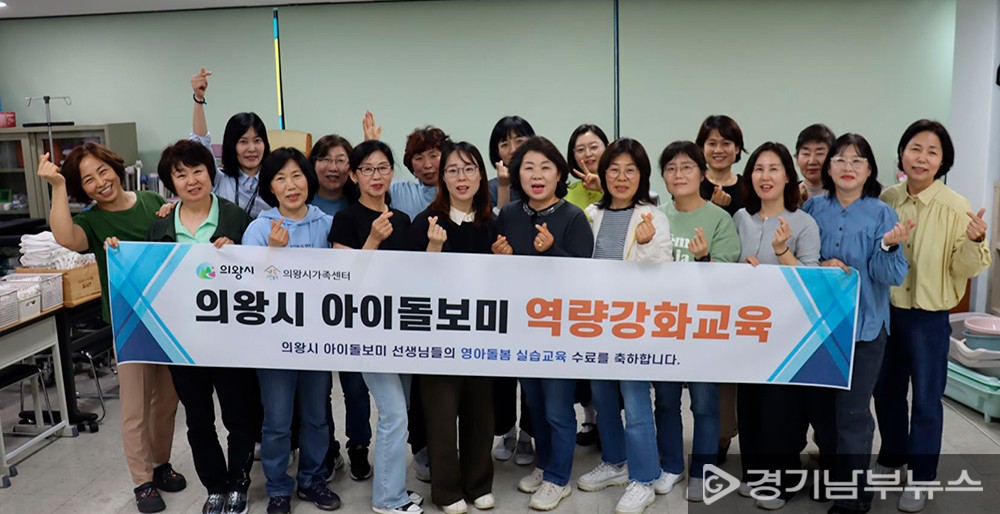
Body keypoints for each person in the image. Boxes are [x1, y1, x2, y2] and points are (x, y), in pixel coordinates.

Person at [37, 143, 185, 513]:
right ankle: (142, 481)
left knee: (167, 400)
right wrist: (57, 186)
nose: (100, 182)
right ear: (81, 189)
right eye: (88, 180)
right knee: (136, 405)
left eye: (102, 171)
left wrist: (174, 212)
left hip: (169, 319)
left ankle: (161, 463)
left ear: (115, 168)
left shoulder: (151, 201)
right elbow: (64, 237)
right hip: (129, 323)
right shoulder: (92, 222)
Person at [874, 120, 990, 513]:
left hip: (929, 319)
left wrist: (976, 240)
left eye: (932, 152)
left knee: (925, 400)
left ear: (943, 161)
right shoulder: (887, 199)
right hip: (888, 313)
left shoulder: (955, 206)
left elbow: (964, 267)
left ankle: (920, 477)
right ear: (902, 153)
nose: (921, 158)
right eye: (915, 148)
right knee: (886, 393)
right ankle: (892, 457)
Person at [147, 140, 262, 514]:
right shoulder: (161, 226)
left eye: (198, 170)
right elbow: (149, 277)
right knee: (198, 420)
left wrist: (237, 253)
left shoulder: (236, 219)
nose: (192, 180)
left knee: (238, 416)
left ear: (211, 174)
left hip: (231, 340)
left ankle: (238, 484)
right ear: (171, 183)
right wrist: (117, 249)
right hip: (182, 342)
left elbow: (259, 275)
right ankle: (215, 486)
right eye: (181, 175)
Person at [802, 133, 910, 514]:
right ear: (828, 168)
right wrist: (821, 264)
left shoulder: (882, 214)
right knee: (822, 415)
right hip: (820, 330)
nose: (848, 167)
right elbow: (801, 261)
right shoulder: (813, 209)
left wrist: (888, 246)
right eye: (840, 160)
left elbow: (891, 275)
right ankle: (837, 480)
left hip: (865, 329)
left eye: (857, 161)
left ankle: (852, 498)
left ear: (869, 170)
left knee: (852, 413)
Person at [493, 136, 595, 511]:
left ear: (559, 174)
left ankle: (558, 479)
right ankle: (546, 464)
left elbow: (584, 279)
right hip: (523, 328)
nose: (537, 176)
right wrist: (500, 257)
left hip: (561, 330)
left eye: (545, 168)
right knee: (534, 406)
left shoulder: (573, 217)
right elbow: (497, 274)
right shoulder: (508, 214)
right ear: (517, 175)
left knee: (557, 408)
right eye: (528, 168)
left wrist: (552, 249)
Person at [242, 148, 341, 514]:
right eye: (280, 178)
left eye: (297, 175)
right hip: (274, 344)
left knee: (317, 416)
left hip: (317, 341)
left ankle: (312, 478)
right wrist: (273, 252)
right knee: (278, 421)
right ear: (271, 187)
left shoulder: (326, 224)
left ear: (308, 179)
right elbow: (248, 289)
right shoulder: (259, 229)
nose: (291, 185)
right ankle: (278, 486)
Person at [576, 138, 671, 514]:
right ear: (602, 174)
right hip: (597, 321)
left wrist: (645, 245)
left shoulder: (652, 216)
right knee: (602, 397)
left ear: (642, 176)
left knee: (634, 401)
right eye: (613, 169)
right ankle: (615, 462)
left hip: (634, 324)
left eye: (630, 170)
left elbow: (662, 271)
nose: (621, 177)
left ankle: (644, 478)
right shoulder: (591, 214)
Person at [330, 140, 423, 514]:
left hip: (402, 329)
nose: (376, 175)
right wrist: (372, 239)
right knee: (394, 413)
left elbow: (414, 276)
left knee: (398, 415)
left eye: (383, 167)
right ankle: (387, 499)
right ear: (354, 175)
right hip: (367, 333)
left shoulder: (402, 219)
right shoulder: (346, 219)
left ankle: (394, 488)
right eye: (367, 169)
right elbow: (343, 279)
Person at [732, 142, 823, 510]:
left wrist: (783, 252)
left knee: (780, 409)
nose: (765, 176)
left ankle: (781, 482)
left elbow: (813, 280)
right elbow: (725, 269)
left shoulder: (803, 223)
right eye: (758, 169)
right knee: (749, 403)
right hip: (747, 331)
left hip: (789, 333)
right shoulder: (740, 218)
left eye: (773, 169)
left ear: (788, 176)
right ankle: (754, 473)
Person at [409, 141, 498, 514]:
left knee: (480, 414)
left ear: (481, 175)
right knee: (441, 417)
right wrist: (432, 250)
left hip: (481, 334)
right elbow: (410, 286)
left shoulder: (492, 222)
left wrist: (506, 259)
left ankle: (479, 483)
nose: (462, 177)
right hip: (439, 337)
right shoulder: (426, 222)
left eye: (469, 168)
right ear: (442, 178)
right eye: (453, 170)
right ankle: (446, 491)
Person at [655, 140, 741, 502]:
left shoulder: (719, 219)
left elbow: (727, 278)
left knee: (705, 404)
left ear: (702, 173)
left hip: (704, 328)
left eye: (687, 167)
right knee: (665, 401)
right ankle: (672, 466)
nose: (679, 174)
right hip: (662, 326)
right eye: (671, 168)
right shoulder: (654, 216)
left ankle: (702, 470)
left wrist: (705, 260)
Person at [307, 135, 374, 483]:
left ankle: (359, 445)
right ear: (313, 163)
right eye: (324, 159)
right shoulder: (302, 199)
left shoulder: (359, 202)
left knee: (356, 386)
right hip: (310, 311)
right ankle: (328, 448)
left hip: (355, 310)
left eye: (340, 160)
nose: (332, 167)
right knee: (319, 390)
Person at [487, 117, 538, 465]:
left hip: (536, 294)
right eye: (504, 143)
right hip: (500, 293)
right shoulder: (490, 186)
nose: (512, 148)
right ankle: (506, 430)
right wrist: (504, 186)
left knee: (533, 370)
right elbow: (493, 228)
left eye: (519, 140)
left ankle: (528, 436)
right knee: (502, 372)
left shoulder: (540, 180)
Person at [188, 67, 272, 218]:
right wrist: (198, 99)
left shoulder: (275, 180)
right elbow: (199, 145)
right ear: (232, 146)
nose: (252, 148)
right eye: (243, 142)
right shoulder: (220, 180)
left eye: (257, 140)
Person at [391, 126, 449, 219]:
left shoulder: (460, 192)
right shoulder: (398, 191)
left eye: (433, 156)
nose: (427, 165)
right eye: (419, 158)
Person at [696, 115, 747, 216]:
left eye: (726, 143)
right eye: (712, 144)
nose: (718, 150)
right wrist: (714, 206)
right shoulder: (692, 184)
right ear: (702, 148)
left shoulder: (747, 187)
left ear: (737, 148)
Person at [487, 115, 535, 210]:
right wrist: (503, 187)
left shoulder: (544, 180)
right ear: (497, 152)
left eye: (519, 141)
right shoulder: (490, 189)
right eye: (505, 145)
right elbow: (499, 219)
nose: (513, 150)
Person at [794, 124, 836, 204]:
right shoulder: (787, 196)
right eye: (806, 153)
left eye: (819, 153)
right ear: (797, 158)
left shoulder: (842, 196)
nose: (812, 161)